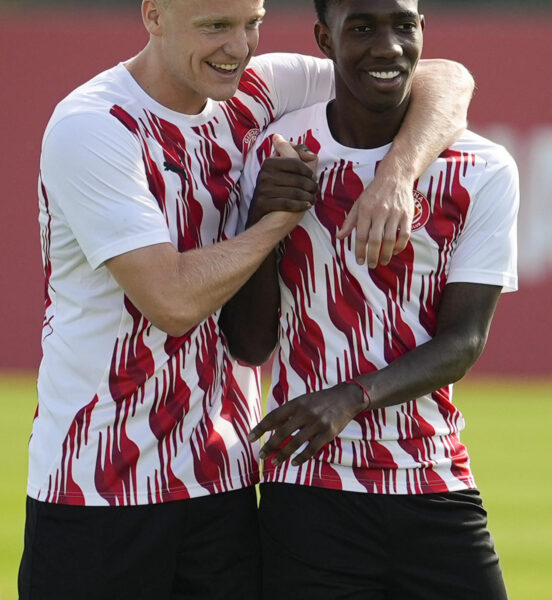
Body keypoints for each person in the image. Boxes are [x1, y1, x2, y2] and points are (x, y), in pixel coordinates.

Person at [19, 0, 476, 598]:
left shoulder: (252, 89)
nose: (239, 46)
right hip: (98, 486)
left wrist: (398, 173)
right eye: (215, 26)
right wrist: (273, 223)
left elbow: (445, 76)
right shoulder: (96, 124)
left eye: (252, 23)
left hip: (224, 484)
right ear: (153, 16)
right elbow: (172, 301)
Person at [228, 0, 519, 598]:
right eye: (361, 28)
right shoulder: (278, 151)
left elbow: (462, 344)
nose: (386, 46)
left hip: (433, 482)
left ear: (422, 33)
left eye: (402, 25)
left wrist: (349, 399)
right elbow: (251, 342)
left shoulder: (482, 168)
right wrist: (264, 220)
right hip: (307, 490)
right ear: (323, 38)